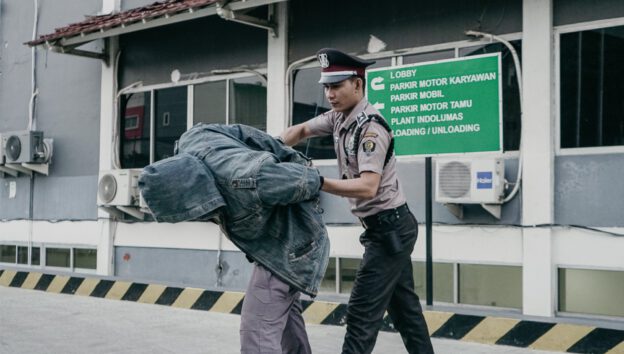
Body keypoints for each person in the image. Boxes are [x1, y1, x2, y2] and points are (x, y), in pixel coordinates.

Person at [280, 48, 434, 354]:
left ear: (358, 85)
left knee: (361, 315)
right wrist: (266, 147)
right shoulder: (339, 118)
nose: (330, 94)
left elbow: (367, 186)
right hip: (387, 229)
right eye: (326, 87)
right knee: (407, 315)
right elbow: (301, 130)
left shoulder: (371, 128)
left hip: (390, 230)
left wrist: (318, 182)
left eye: (337, 87)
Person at [138, 123, 329, 354]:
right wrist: (280, 148)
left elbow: (307, 181)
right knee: (287, 324)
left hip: (293, 244)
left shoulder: (244, 179)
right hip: (277, 239)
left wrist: (357, 187)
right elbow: (247, 135)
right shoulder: (193, 138)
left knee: (256, 334)